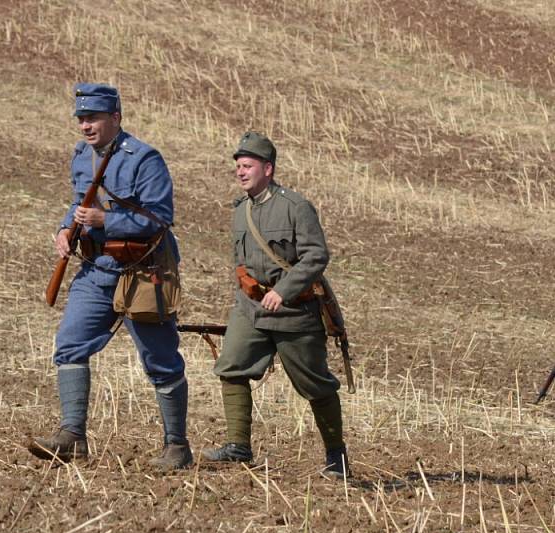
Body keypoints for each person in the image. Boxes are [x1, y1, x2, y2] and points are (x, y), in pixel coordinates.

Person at [28, 83, 191, 470]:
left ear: (115, 118)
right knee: (69, 344)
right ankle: (72, 437)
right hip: (97, 269)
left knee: (160, 360)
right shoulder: (81, 157)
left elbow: (159, 217)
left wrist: (108, 220)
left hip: (142, 272)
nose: (85, 126)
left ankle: (177, 446)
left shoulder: (144, 158)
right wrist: (66, 230)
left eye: (93, 118)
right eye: (81, 119)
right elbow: (79, 203)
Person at [201, 132, 349, 477]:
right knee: (231, 367)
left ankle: (337, 458)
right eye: (237, 166)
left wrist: (283, 290)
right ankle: (238, 446)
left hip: (294, 312)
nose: (240, 172)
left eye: (247, 166)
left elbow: (316, 256)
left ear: (267, 168)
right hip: (250, 309)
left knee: (315, 384)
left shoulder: (295, 206)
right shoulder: (241, 211)